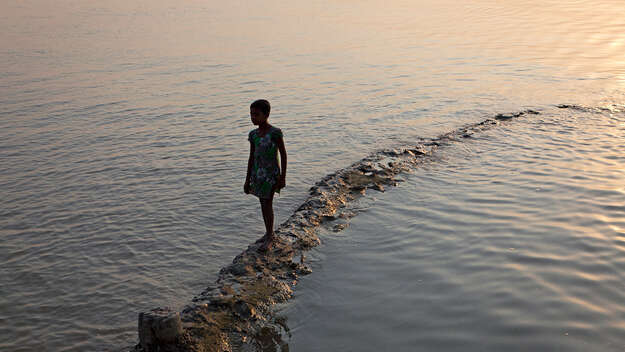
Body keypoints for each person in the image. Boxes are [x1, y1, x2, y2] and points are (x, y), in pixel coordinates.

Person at [244, 99, 287, 252]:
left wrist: (282, 177)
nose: (253, 117)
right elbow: (251, 157)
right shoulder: (253, 135)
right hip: (258, 174)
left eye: (256, 114)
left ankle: (270, 236)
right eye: (251, 114)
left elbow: (283, 154)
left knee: (267, 203)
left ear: (266, 114)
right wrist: (247, 179)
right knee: (263, 204)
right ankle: (268, 232)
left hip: (271, 174)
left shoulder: (275, 133)